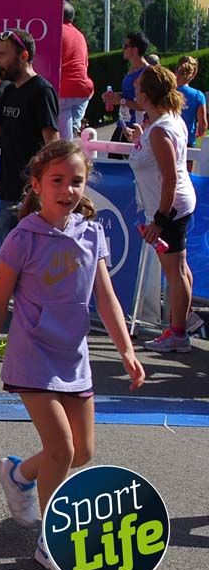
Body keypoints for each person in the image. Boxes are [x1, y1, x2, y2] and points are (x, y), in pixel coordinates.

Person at [0, 141, 145, 570]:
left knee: (81, 451)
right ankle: (51, 539)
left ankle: (18, 475)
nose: (67, 190)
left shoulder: (92, 232)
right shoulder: (22, 237)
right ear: (37, 185)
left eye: (76, 181)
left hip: (73, 357)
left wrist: (126, 350)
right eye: (57, 181)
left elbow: (105, 298)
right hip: (32, 356)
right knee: (61, 446)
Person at [127, 65, 200, 353]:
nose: (134, 87)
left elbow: (169, 178)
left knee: (175, 271)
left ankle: (178, 334)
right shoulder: (165, 121)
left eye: (139, 85)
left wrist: (159, 219)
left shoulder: (160, 130)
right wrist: (138, 138)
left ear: (147, 94)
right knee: (179, 269)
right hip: (174, 204)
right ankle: (178, 327)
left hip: (169, 208)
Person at [0, 29, 59, 246]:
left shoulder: (41, 90)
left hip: (30, 197)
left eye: (2, 55)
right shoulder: (9, 91)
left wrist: (42, 193)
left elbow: (54, 146)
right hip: (7, 193)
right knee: (8, 264)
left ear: (24, 56)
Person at [57, 1, 94, 141]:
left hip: (65, 90)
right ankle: (75, 128)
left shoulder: (57, 31)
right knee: (71, 131)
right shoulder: (80, 35)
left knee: (64, 141)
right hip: (84, 91)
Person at [101, 31, 149, 132]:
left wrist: (121, 101)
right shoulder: (131, 70)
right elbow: (130, 95)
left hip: (137, 127)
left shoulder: (147, 72)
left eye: (125, 46)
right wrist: (113, 96)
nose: (123, 49)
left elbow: (145, 105)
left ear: (135, 50)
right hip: (123, 124)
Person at [175, 55, 207, 172]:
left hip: (169, 139)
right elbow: (203, 125)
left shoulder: (168, 93)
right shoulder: (198, 95)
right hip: (188, 141)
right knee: (187, 177)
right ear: (193, 74)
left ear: (176, 70)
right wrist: (199, 131)